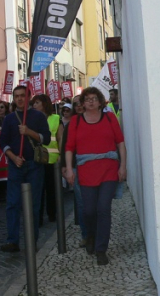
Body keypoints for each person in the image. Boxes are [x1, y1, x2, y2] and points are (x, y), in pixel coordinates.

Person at [65, 87, 126, 266]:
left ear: (100, 102)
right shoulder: (76, 122)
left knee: (103, 208)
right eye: (87, 99)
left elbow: (120, 142)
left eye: (94, 98)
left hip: (108, 169)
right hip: (86, 171)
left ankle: (101, 249)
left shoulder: (109, 118)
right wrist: (69, 169)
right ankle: (90, 234)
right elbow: (69, 148)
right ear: (83, 103)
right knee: (89, 210)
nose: (91, 101)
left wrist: (123, 165)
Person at [0, 86, 51, 252]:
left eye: (22, 95)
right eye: (16, 96)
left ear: (28, 97)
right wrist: (13, 157)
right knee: (13, 203)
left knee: (33, 205)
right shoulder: (9, 119)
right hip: (16, 166)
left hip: (34, 165)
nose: (20, 99)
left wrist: (29, 132)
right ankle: (12, 240)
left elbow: (46, 139)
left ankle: (31, 240)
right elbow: (3, 142)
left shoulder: (38, 116)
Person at [60, 96, 87, 247]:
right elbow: (65, 145)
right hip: (76, 165)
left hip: (91, 166)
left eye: (80, 103)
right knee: (81, 201)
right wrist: (65, 166)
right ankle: (86, 234)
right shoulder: (71, 125)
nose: (78, 106)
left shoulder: (93, 120)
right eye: (75, 104)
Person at [32, 94, 63, 225]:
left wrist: (61, 155)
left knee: (51, 190)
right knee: (38, 190)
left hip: (52, 159)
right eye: (33, 103)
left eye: (37, 103)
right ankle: (37, 217)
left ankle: (52, 214)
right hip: (37, 159)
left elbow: (60, 138)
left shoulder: (56, 119)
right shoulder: (31, 119)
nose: (34, 105)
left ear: (44, 104)